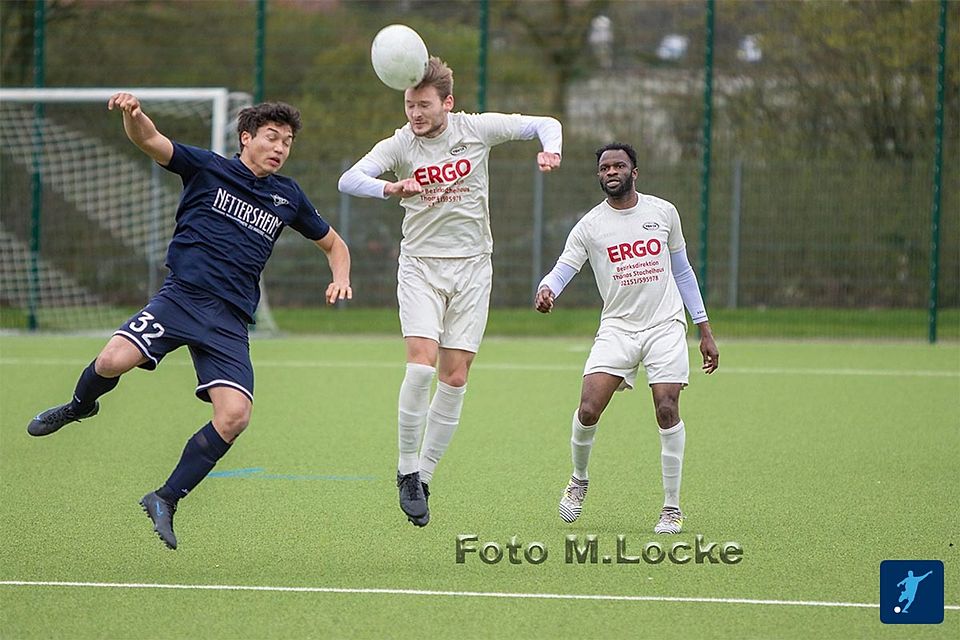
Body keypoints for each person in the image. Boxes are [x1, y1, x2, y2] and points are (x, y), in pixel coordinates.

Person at [26, 93, 352, 550]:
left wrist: (341, 277)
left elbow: (335, 244)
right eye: (272, 138)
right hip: (181, 299)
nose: (280, 148)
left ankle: (165, 498)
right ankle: (80, 406)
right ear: (246, 138)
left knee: (235, 416)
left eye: (288, 142)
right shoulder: (208, 168)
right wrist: (134, 116)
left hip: (229, 321)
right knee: (111, 360)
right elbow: (152, 142)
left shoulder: (288, 196)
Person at [338, 56, 562, 527]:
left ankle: (425, 475)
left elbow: (544, 122)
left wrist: (551, 150)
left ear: (448, 103)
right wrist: (391, 188)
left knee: (454, 377)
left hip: (474, 269)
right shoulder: (401, 142)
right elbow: (350, 178)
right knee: (420, 367)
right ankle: (404, 469)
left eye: (423, 105)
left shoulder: (475, 130)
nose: (415, 114)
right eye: (409, 105)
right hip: (420, 266)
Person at [534, 142, 718, 534]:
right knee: (588, 410)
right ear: (599, 175)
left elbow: (683, 272)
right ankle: (579, 479)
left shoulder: (663, 213)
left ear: (635, 172)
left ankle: (671, 508)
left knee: (667, 407)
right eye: (604, 168)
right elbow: (564, 268)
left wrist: (703, 328)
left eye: (619, 165)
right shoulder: (589, 226)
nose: (611, 172)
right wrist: (547, 288)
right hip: (617, 328)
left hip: (665, 326)